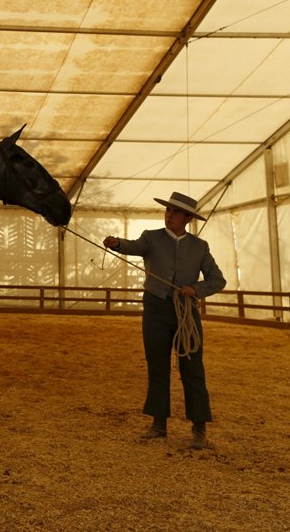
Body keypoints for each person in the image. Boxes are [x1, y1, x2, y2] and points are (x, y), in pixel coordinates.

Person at [103, 191, 226, 449]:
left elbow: (218, 280)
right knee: (157, 366)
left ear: (187, 218)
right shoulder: (151, 238)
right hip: (155, 309)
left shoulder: (200, 247)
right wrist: (116, 243)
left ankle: (199, 429)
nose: (169, 215)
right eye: (168, 210)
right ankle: (158, 425)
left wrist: (196, 289)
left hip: (186, 314)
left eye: (175, 212)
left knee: (192, 369)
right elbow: (132, 246)